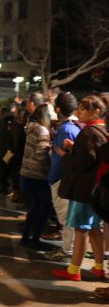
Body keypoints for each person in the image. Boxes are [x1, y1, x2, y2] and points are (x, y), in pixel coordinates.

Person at [53, 95, 107, 281]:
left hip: (83, 190)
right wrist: (76, 147)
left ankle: (74, 270)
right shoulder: (101, 131)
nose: (78, 112)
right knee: (93, 229)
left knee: (81, 230)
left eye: (83, 109)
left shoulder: (88, 133)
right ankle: (99, 267)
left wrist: (66, 153)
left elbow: (82, 164)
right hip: (95, 190)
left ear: (96, 111)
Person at [44, 92, 81, 261]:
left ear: (58, 109)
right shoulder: (75, 127)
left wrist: (54, 178)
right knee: (68, 218)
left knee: (65, 218)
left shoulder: (65, 129)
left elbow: (61, 159)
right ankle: (68, 249)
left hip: (61, 179)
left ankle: (67, 251)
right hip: (68, 179)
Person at [18, 104, 53, 249]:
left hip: (27, 174)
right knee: (44, 208)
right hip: (38, 176)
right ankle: (35, 239)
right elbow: (41, 155)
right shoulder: (42, 130)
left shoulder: (31, 127)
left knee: (35, 207)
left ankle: (26, 237)